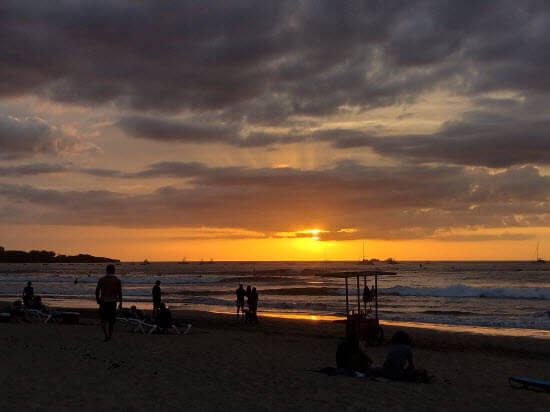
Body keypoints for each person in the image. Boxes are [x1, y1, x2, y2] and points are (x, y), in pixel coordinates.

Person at [95, 264, 122, 342]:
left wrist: (97, 300)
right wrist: (121, 303)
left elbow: (96, 291)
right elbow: (120, 293)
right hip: (113, 302)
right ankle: (110, 335)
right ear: (114, 270)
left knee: (103, 320)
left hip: (103, 301)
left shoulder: (102, 279)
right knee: (112, 321)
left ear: (106, 270)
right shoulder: (117, 280)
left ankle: (106, 335)